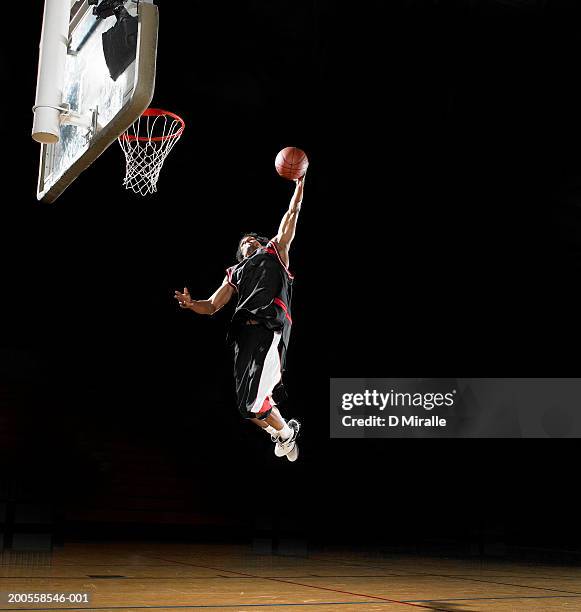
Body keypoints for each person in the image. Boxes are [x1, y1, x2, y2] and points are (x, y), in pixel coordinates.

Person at [174, 175, 306, 461]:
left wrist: (298, 188)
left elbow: (291, 216)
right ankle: (285, 433)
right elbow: (211, 306)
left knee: (254, 402)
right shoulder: (235, 272)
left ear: (260, 243)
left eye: (251, 239)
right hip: (242, 336)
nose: (246, 241)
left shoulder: (275, 251)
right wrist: (190, 303)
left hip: (269, 327)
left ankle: (285, 432)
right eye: (242, 242)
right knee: (248, 408)